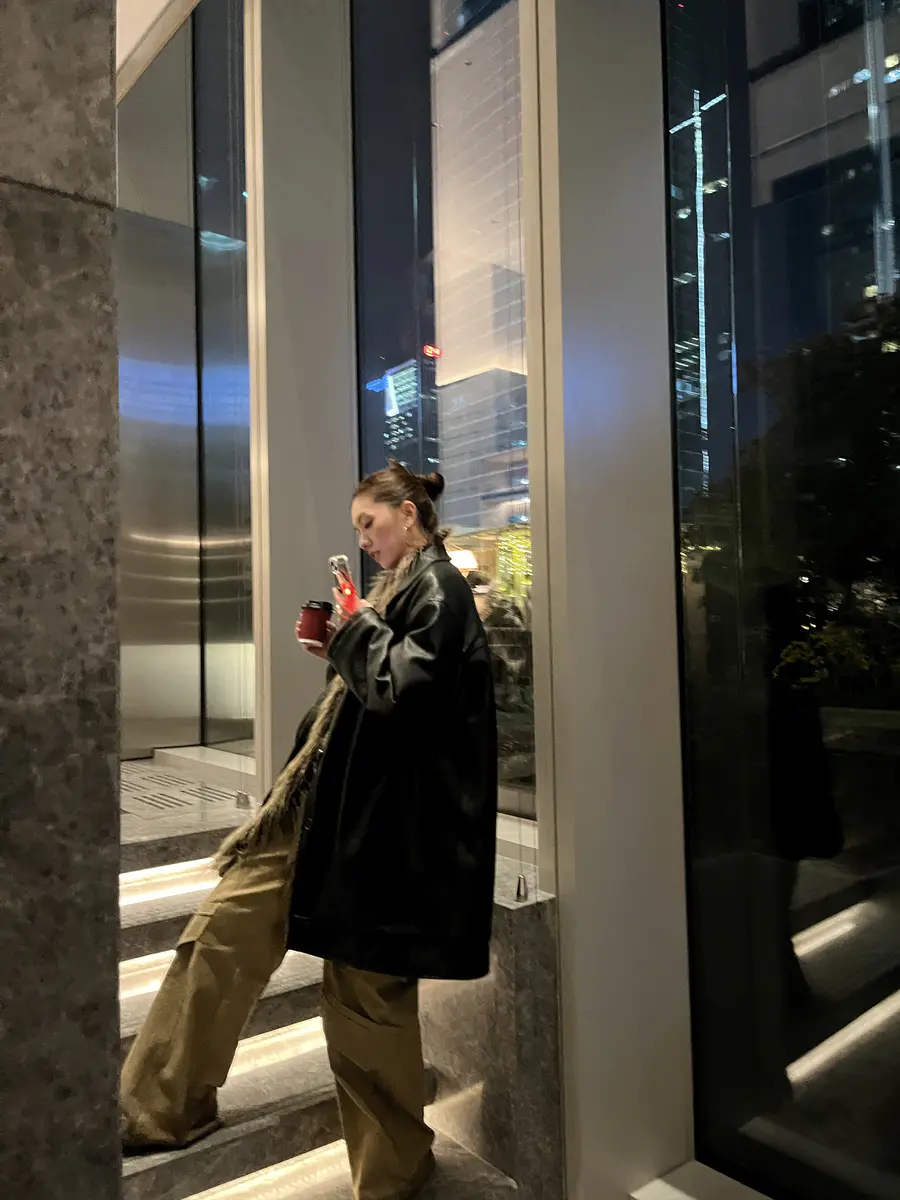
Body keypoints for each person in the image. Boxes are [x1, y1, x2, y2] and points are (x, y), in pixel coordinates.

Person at [120, 462, 498, 1200]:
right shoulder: (401, 591)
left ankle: (394, 1173)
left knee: (367, 1003)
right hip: (320, 813)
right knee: (221, 935)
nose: (364, 539)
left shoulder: (440, 589)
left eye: (370, 523)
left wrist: (353, 632)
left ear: (409, 515)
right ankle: (160, 1107)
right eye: (358, 527)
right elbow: (381, 687)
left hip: (380, 834)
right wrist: (342, 646)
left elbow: (400, 691)